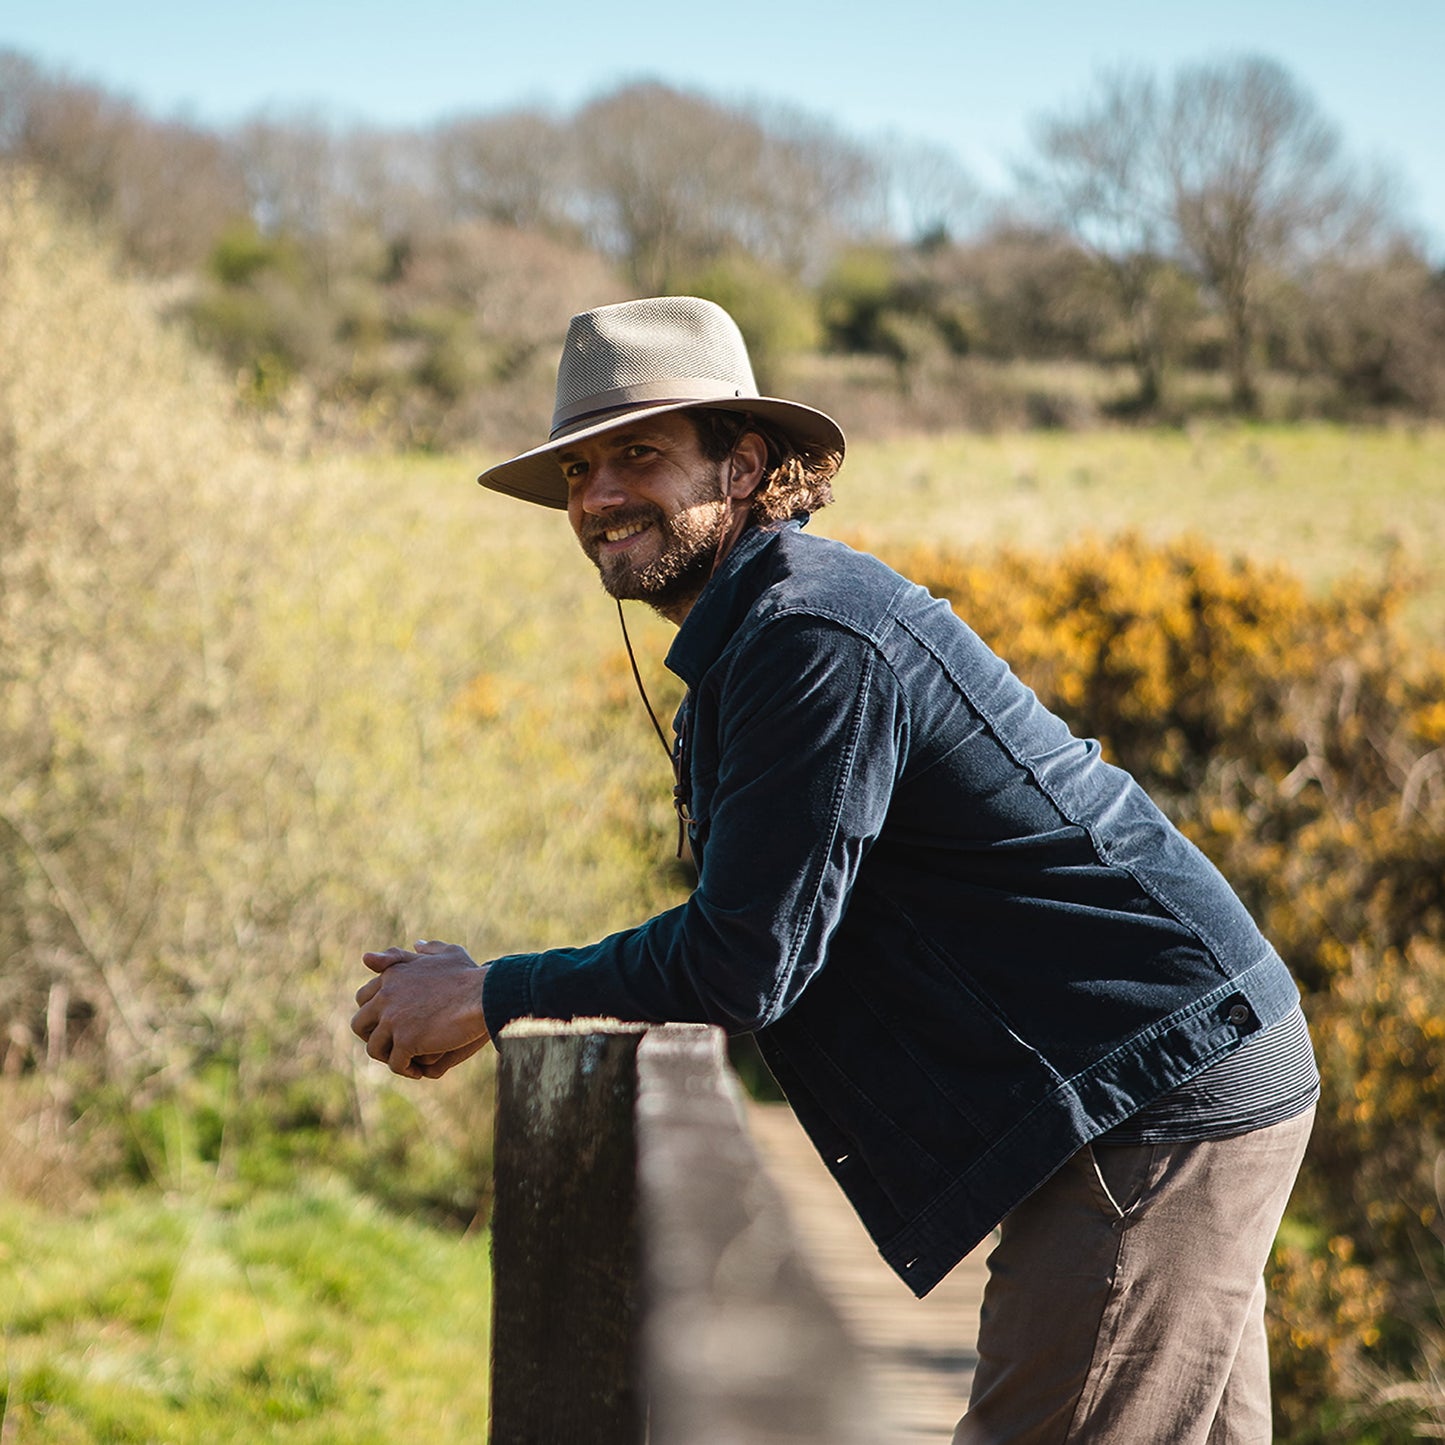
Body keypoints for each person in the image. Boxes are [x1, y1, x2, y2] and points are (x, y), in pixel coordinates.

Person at [351, 296, 1318, 1444]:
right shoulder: (761, 634)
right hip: (1164, 1069)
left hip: (1154, 1090)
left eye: (639, 455)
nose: (599, 495)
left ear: (745, 465)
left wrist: (490, 992)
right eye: (577, 472)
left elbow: (739, 960)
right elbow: (754, 931)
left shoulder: (808, 637)